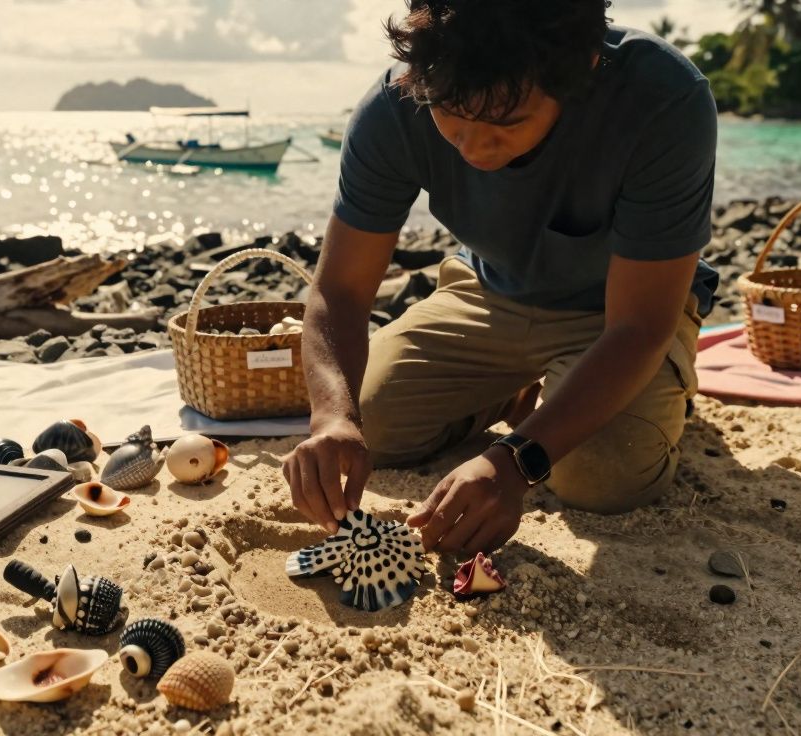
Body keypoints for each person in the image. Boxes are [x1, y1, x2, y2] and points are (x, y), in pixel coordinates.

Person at [283, 0, 719, 556]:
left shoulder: (663, 99)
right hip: (489, 291)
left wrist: (516, 460)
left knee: (600, 477)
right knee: (373, 426)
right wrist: (331, 420)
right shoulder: (399, 103)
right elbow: (339, 289)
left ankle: (648, 394)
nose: (473, 150)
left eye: (506, 124)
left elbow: (638, 325)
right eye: (452, 121)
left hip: (623, 315)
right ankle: (518, 389)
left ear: (584, 68)